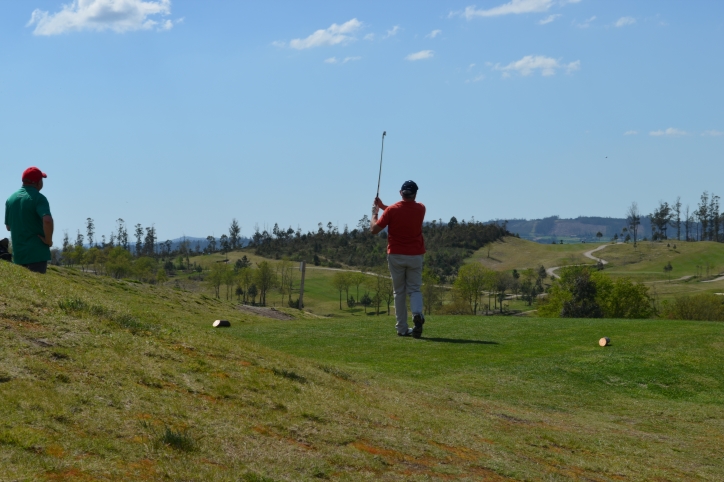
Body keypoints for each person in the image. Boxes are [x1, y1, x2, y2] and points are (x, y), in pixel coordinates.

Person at [371, 180, 426, 338]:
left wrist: (375, 213)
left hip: (396, 254)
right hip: (415, 255)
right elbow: (402, 210)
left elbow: (374, 229)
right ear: (415, 194)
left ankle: (402, 328)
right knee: (414, 289)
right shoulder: (421, 208)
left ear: (401, 192)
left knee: (399, 292)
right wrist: (382, 206)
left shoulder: (392, 210)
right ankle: (417, 314)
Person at [4, 167, 54, 274]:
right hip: (37, 254)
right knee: (37, 288)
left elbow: (8, 227)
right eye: (42, 179)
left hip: (18, 254)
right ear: (37, 182)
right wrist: (48, 241)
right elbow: (47, 220)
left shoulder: (10, 199)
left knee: (23, 287)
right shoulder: (39, 198)